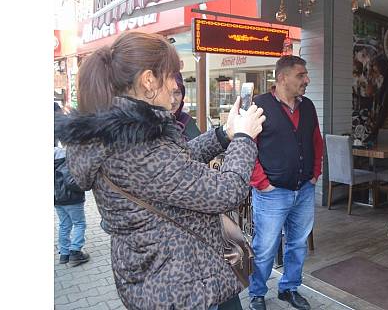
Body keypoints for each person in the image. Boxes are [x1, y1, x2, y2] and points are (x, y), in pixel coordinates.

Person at [55, 32, 266, 310]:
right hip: (178, 289)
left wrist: (225, 134)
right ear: (148, 80)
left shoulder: (122, 136)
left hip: (160, 278)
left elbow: (177, 166)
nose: (174, 87)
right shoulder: (138, 145)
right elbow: (228, 192)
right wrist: (244, 139)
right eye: (170, 76)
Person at [247, 55, 323, 310]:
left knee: (298, 244)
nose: (307, 80)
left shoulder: (308, 106)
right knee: (265, 247)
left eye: (305, 75)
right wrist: (261, 182)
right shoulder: (258, 105)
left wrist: (315, 173)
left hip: (304, 189)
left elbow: (316, 142)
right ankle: (257, 293)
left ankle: (289, 288)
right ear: (282, 78)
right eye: (301, 75)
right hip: (271, 193)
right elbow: (247, 147)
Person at [54, 105, 90, 266]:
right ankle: (76, 252)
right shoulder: (68, 156)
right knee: (79, 223)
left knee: (64, 224)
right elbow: (76, 179)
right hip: (72, 198)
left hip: (56, 198)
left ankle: (64, 253)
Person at [172, 72, 201, 140]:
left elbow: (201, 147)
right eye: (167, 93)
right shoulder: (148, 125)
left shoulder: (187, 121)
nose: (173, 100)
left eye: (177, 93)